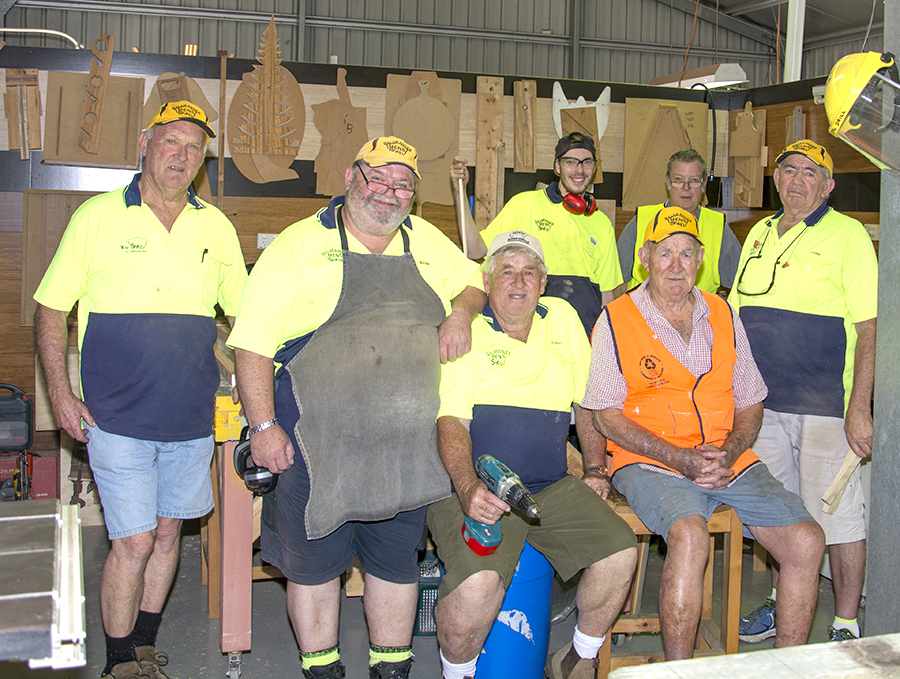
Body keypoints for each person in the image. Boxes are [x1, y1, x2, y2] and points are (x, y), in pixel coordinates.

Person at [227, 136, 486, 679]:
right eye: (379, 178)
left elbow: (474, 279)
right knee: (314, 570)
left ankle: (390, 669)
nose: (390, 193)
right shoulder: (297, 246)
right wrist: (264, 426)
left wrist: (460, 313)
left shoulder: (426, 240)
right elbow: (251, 344)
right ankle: (321, 669)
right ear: (350, 177)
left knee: (395, 567)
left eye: (404, 184)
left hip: (405, 452)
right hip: (315, 449)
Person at [34, 101, 247, 679]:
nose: (181, 156)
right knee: (134, 542)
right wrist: (61, 393)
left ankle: (145, 645)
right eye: (170, 142)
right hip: (114, 417)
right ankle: (120, 661)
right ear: (144, 145)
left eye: (193, 147)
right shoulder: (98, 217)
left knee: (169, 533)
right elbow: (51, 310)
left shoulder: (216, 227)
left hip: (190, 418)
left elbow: (248, 320)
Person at [583, 206, 825, 660]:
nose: (676, 265)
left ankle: (788, 668)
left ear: (700, 259)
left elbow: (750, 400)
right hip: (650, 460)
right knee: (691, 536)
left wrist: (729, 452)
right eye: (665, 253)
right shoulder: (615, 319)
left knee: (808, 541)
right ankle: (680, 672)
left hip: (726, 459)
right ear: (644, 258)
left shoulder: (722, 313)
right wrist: (682, 460)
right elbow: (606, 416)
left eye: (687, 254)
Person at [427, 231, 637, 679]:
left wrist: (596, 468)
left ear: (543, 282)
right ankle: (457, 672)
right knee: (478, 585)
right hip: (476, 487)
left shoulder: (562, 318)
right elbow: (452, 423)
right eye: (506, 271)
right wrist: (467, 489)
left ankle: (577, 658)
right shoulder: (467, 331)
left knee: (620, 551)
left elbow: (588, 403)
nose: (518, 282)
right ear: (487, 281)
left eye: (529, 272)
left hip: (552, 487)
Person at [729, 140, 877, 643]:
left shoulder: (850, 235)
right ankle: (779, 603)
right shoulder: (758, 235)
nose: (797, 180)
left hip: (825, 408)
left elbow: (871, 327)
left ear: (828, 185)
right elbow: (734, 316)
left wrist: (859, 407)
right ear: (777, 179)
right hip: (763, 407)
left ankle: (845, 622)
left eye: (810, 173)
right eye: (788, 170)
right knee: (780, 516)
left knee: (838, 517)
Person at [450, 132, 621, 336]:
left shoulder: (601, 223)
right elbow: (476, 249)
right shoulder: (524, 204)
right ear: (557, 167)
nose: (579, 169)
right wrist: (459, 192)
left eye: (587, 162)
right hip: (532, 336)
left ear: (594, 167)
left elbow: (607, 294)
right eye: (571, 162)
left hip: (582, 337)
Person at [617, 149, 741, 294]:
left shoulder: (719, 228)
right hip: (642, 314)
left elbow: (741, 285)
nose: (686, 188)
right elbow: (617, 284)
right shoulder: (640, 222)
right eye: (678, 180)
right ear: (668, 181)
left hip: (698, 315)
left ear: (704, 182)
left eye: (694, 180)